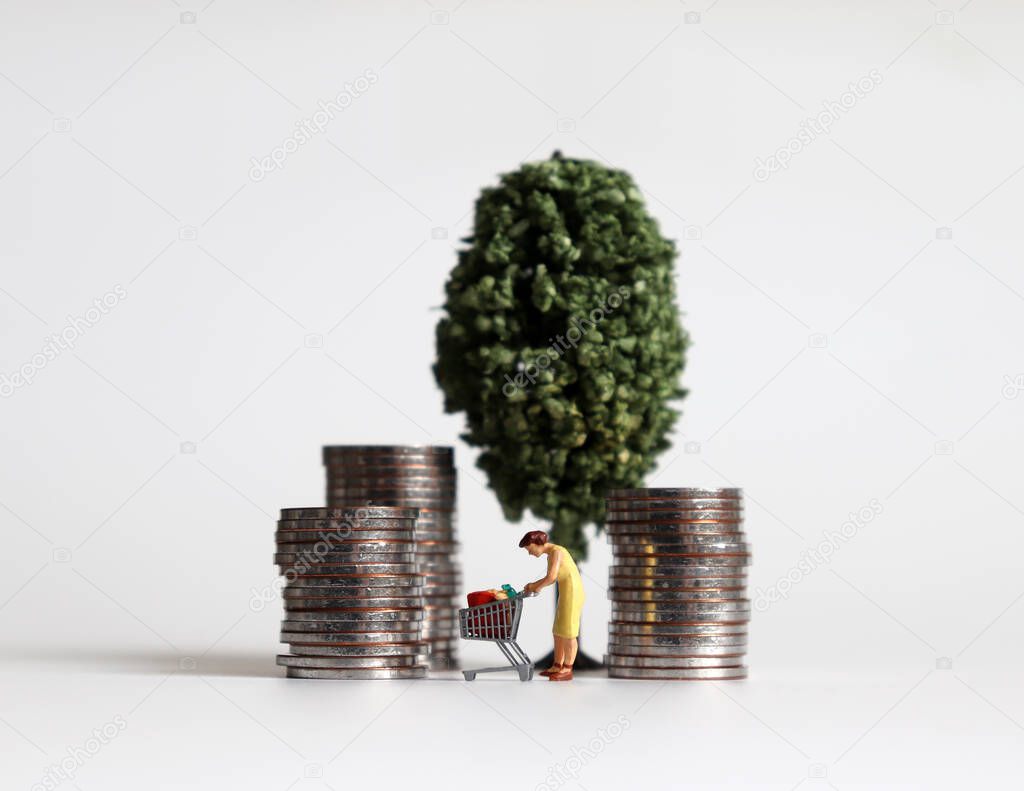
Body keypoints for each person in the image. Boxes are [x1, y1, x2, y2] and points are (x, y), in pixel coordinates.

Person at [520, 530, 585, 681]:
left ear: (537, 544)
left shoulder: (557, 552)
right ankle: (557, 665)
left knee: (569, 632)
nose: (530, 554)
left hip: (573, 593)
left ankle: (567, 669)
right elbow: (553, 577)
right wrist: (535, 585)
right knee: (558, 630)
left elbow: (551, 577)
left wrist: (535, 585)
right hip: (566, 592)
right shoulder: (551, 555)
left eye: (529, 550)